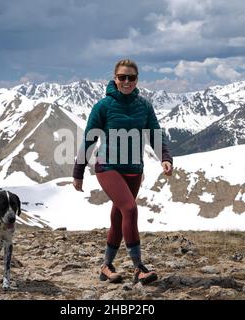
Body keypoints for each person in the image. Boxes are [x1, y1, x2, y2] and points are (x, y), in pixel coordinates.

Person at [72, 59, 173, 285]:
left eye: (132, 78)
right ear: (115, 79)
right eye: (122, 77)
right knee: (130, 208)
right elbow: (90, 137)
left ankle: (106, 267)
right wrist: (78, 170)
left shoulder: (144, 106)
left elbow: (155, 134)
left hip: (134, 170)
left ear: (137, 80)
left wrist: (165, 158)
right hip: (107, 167)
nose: (127, 81)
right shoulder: (103, 106)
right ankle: (138, 268)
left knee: (119, 217)